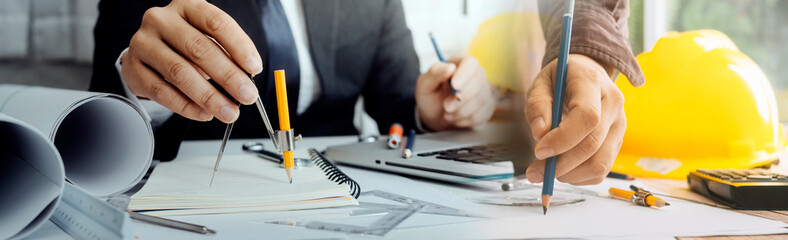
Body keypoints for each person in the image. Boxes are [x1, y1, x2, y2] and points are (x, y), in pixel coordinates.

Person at [90, 0, 643, 186]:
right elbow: (108, 94)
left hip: (341, 192)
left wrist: (436, 107)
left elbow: (399, 102)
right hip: (195, 186)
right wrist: (144, 85)